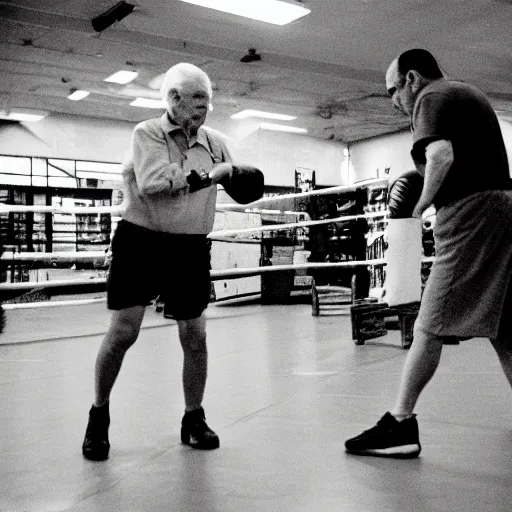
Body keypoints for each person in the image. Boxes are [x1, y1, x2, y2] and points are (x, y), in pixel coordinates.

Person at [82, 62, 263, 461]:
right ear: (174, 99)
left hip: (190, 247)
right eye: (198, 98)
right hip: (140, 242)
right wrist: (208, 175)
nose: (205, 107)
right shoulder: (145, 133)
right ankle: (98, 415)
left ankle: (193, 418)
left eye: (208, 99)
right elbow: (151, 182)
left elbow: (236, 183)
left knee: (195, 336)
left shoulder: (216, 141)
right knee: (123, 333)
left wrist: (239, 177)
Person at [345, 49, 512, 458]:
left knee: (429, 322)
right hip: (503, 208)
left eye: (393, 91)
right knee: (507, 328)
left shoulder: (431, 98)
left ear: (412, 79)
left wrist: (421, 206)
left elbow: (440, 156)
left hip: (471, 211)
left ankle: (400, 423)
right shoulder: (465, 92)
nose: (394, 101)